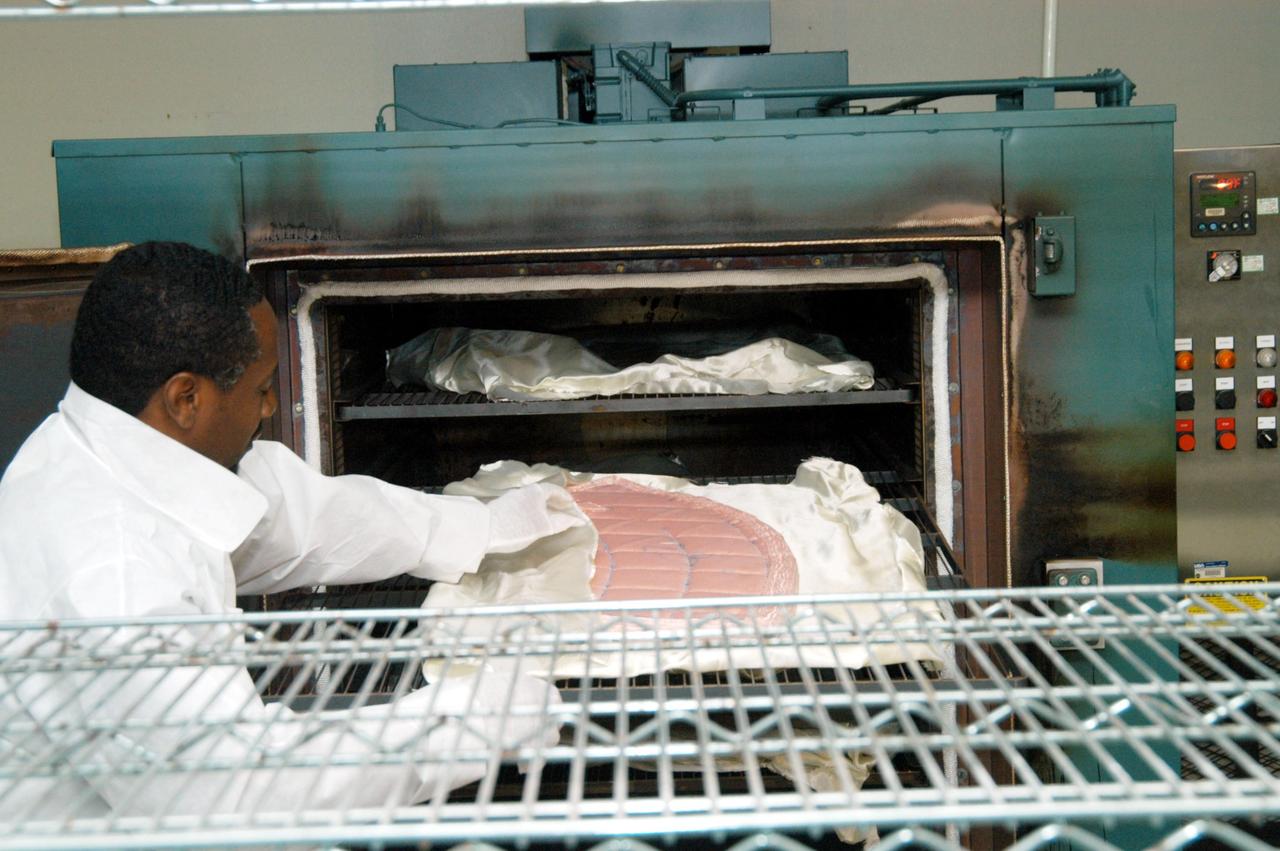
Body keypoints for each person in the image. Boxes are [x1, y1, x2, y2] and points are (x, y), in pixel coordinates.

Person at [0, 242, 579, 823]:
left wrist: (481, 527)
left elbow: (295, 516)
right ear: (186, 398)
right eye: (260, 387)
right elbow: (236, 794)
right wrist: (469, 721)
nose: (273, 401)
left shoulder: (96, 448)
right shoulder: (115, 581)